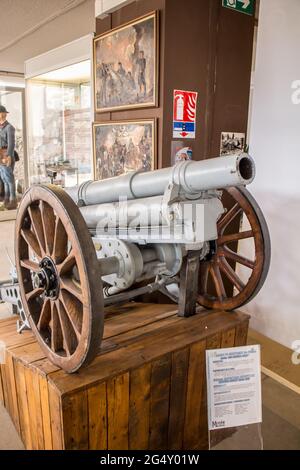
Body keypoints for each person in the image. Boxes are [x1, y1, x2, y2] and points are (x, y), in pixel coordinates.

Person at [0, 105, 17, 210]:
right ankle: (6, 199)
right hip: (0, 154)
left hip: (6, 154)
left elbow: (11, 143)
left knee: (9, 179)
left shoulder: (9, 127)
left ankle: (13, 200)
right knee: (4, 178)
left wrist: (9, 156)